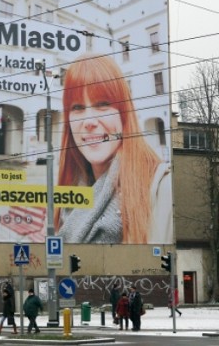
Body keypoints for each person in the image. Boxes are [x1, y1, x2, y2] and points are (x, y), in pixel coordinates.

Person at [55, 53, 172, 244]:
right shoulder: (64, 197)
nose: (89, 121)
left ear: (124, 114)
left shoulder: (163, 190)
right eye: (78, 107)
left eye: (102, 105)